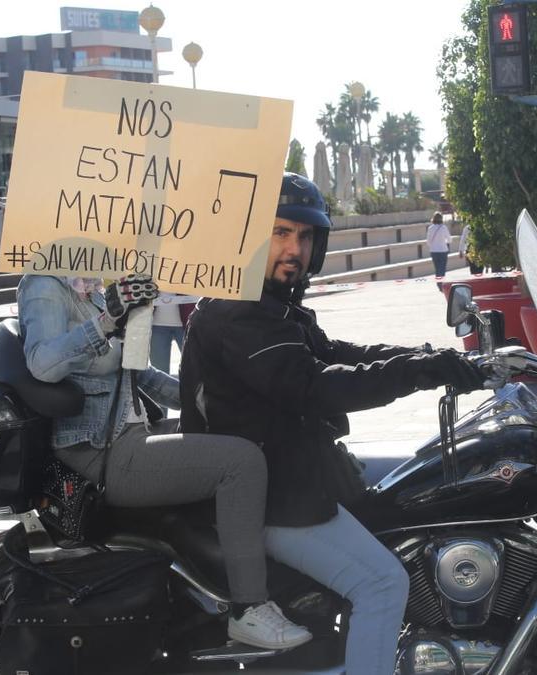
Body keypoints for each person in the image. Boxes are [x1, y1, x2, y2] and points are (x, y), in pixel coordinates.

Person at [179, 173, 487, 674]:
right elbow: (313, 383)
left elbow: (339, 353)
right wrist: (422, 371)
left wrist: (429, 357)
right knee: (384, 583)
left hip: (291, 478)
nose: (294, 248)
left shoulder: (273, 308)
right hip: (269, 499)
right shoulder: (239, 312)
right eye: (280, 233)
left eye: (304, 236)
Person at [16, 272, 311, 650]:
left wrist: (212, 401)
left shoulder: (90, 285)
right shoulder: (45, 284)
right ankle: (248, 607)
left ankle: (240, 576)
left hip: (129, 428)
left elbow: (139, 371)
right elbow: (42, 364)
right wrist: (106, 322)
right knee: (242, 462)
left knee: (249, 435)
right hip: (100, 449)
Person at [426, 211, 452, 287]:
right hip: (443, 250)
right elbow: (449, 239)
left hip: (434, 251)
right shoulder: (443, 227)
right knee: (442, 268)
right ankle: (441, 283)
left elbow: (428, 241)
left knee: (437, 268)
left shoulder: (430, 228)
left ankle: (438, 283)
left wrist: (432, 245)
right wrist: (445, 242)